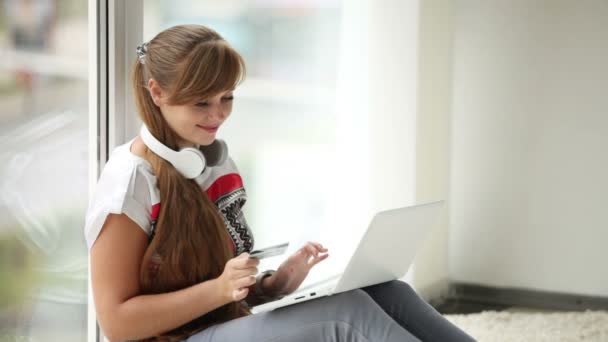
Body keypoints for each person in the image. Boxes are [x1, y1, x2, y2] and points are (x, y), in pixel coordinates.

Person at [84, 24, 475, 342]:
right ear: (157, 93)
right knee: (348, 316)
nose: (218, 115)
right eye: (201, 103)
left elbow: (218, 290)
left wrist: (272, 285)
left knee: (387, 292)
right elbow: (117, 324)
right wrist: (220, 290)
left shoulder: (212, 160)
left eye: (227, 97)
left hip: (218, 325)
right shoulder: (131, 180)